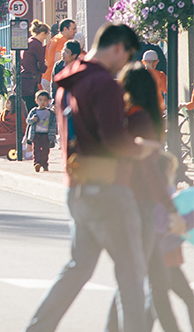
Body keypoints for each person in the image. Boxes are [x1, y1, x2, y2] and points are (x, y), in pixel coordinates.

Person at [24, 23, 161, 332]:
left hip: (77, 187)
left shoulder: (68, 81)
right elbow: (114, 140)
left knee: (79, 268)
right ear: (118, 48)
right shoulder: (104, 84)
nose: (124, 65)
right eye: (126, 56)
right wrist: (143, 148)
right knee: (131, 273)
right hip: (108, 189)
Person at [104, 63, 183, 332]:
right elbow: (150, 170)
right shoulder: (142, 119)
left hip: (121, 198)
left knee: (152, 279)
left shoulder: (121, 117)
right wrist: (170, 209)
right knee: (138, 278)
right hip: (140, 203)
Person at [20, 20, 50, 109]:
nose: (45, 38)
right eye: (46, 35)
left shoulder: (28, 41)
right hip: (32, 80)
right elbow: (42, 66)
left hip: (24, 79)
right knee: (33, 107)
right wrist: (45, 65)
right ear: (43, 33)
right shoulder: (37, 45)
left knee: (27, 107)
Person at [25, 90, 56, 172]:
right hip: (36, 134)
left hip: (46, 134)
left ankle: (45, 164)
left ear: (48, 101)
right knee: (36, 149)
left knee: (45, 150)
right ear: (36, 101)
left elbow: (54, 122)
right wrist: (33, 119)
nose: (43, 102)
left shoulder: (50, 113)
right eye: (40, 100)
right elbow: (28, 121)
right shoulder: (34, 111)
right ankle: (37, 163)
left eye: (45, 100)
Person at [42, 19, 77, 90]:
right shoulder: (62, 40)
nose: (75, 31)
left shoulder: (55, 38)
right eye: (73, 29)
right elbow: (58, 60)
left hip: (47, 76)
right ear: (65, 29)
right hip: (53, 79)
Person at [141, 50, 167, 116]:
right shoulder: (160, 75)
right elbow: (166, 89)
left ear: (143, 62)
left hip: (141, 109)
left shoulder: (138, 74)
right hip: (158, 108)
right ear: (157, 62)